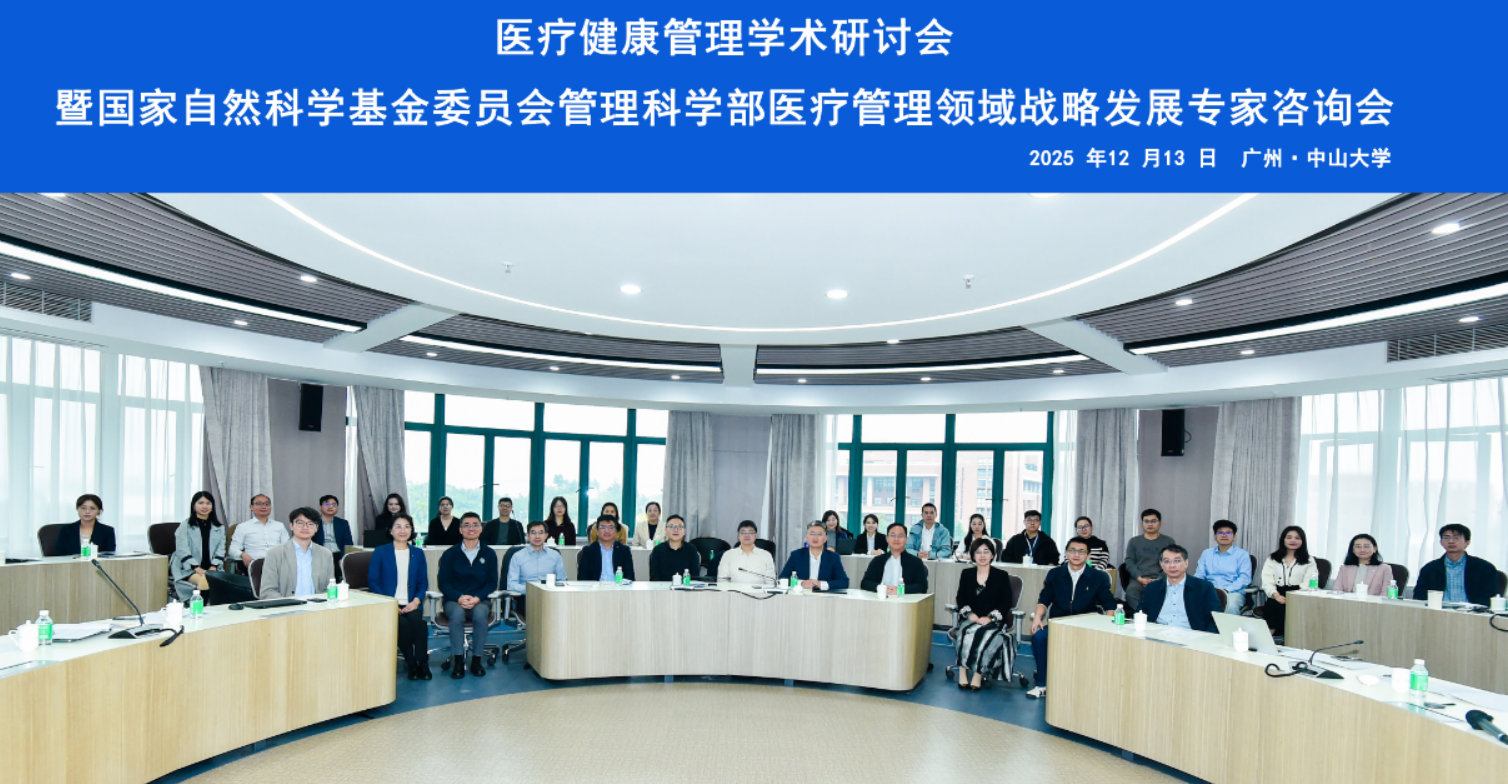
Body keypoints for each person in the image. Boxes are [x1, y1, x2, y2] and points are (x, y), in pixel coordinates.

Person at [1027, 537, 1118, 699]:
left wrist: (1106, 625)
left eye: (1082, 551)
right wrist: (1038, 617)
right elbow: (1044, 600)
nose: (1076, 555)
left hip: (1086, 626)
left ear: (1088, 556)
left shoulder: (1098, 577)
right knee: (1039, 637)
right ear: (1066, 553)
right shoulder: (1055, 574)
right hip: (1059, 624)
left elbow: (1109, 606)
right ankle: (1042, 684)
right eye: (1072, 550)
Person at [367, 512, 431, 680]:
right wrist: (391, 603)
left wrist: (416, 601)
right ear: (390, 530)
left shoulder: (418, 553)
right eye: (398, 527)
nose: (403, 531)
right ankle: (411, 664)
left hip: (411, 603)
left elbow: (423, 582)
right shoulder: (380, 552)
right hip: (388, 603)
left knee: (419, 624)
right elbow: (373, 582)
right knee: (402, 625)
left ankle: (423, 663)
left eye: (407, 527)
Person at [437, 515, 498, 679]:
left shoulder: (489, 553)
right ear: (460, 529)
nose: (471, 528)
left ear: (481, 529)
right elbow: (444, 583)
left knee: (480, 615)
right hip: (454, 600)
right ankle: (458, 661)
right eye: (467, 525)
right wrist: (459, 597)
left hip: (480, 599)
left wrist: (477, 597)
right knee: (457, 615)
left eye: (475, 524)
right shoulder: (450, 554)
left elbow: (492, 582)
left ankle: (476, 660)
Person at [952, 538, 1016, 691]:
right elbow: (961, 598)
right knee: (966, 632)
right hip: (970, 618)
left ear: (992, 555)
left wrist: (990, 618)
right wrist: (970, 614)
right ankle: (962, 671)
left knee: (984, 635)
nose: (982, 555)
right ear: (973, 555)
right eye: (978, 552)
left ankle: (978, 674)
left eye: (986, 552)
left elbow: (1006, 602)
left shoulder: (1001, 575)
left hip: (992, 620)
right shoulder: (966, 574)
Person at [1413, 524, 1501, 606]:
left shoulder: (1484, 568)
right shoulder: (1430, 569)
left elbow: (1489, 597)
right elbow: (1420, 596)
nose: (1451, 541)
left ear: (1467, 542)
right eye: (1446, 538)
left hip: (1472, 613)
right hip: (1438, 612)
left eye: (1456, 538)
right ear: (1441, 542)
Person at [1140, 545, 1222, 633]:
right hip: (1157, 633)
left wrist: (1205, 638)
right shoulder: (1152, 588)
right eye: (1167, 561)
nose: (1172, 565)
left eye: (1177, 561)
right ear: (1161, 564)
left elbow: (1217, 619)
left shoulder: (1203, 587)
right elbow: (1140, 614)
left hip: (1190, 635)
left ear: (1186, 563)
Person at [259, 507, 335, 599]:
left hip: (317, 605)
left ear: (316, 528)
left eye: (310, 523)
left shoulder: (326, 554)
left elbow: (329, 588)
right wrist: (289, 604)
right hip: (287, 605)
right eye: (300, 523)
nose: (305, 527)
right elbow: (267, 591)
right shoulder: (275, 554)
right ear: (291, 526)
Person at [1260, 525, 1319, 637]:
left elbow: (1310, 581)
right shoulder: (1273, 558)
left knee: (1292, 609)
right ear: (1283, 540)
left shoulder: (1309, 560)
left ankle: (1291, 640)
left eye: (1297, 538)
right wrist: (1275, 595)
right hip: (1277, 592)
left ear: (1302, 541)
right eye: (1289, 537)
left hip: (1299, 593)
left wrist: (1294, 597)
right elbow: (1267, 579)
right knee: (1274, 605)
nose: (1293, 540)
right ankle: (1267, 639)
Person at [171, 491, 226, 602]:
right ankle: (201, 609)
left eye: (208, 503)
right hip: (188, 568)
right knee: (203, 581)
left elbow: (221, 550)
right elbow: (182, 549)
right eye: (200, 503)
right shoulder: (185, 525)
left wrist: (214, 566)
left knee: (223, 585)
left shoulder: (219, 527)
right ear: (194, 506)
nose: (205, 506)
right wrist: (196, 567)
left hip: (212, 567)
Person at [505, 521, 566, 619]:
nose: (537, 536)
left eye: (541, 532)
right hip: (526, 597)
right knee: (539, 611)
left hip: (550, 596)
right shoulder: (517, 556)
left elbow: (562, 581)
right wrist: (532, 590)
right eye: (533, 533)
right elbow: (511, 584)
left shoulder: (555, 556)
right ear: (528, 535)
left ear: (546, 535)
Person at [1195, 520, 1253, 614]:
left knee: (1231, 606)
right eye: (1221, 533)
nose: (1224, 535)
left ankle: (1228, 625)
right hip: (1210, 590)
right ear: (1215, 536)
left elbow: (1244, 579)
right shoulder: (1207, 553)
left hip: (1233, 592)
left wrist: (1226, 590)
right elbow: (1199, 575)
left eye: (1228, 533)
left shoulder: (1242, 555)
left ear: (1234, 537)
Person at [1123, 509, 1175, 612]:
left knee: (1164, 593)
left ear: (1160, 523)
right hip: (1139, 579)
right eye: (1146, 521)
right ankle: (1143, 614)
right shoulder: (1134, 541)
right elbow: (1129, 562)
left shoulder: (1168, 541)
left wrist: (1159, 579)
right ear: (1142, 523)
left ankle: (1155, 615)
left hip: (1161, 579)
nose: (1150, 524)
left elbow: (1171, 563)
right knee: (1131, 593)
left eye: (1153, 521)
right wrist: (1139, 578)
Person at [777, 522, 850, 591]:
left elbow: (844, 582)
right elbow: (782, 579)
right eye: (812, 534)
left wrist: (821, 584)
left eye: (819, 534)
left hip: (824, 597)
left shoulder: (833, 557)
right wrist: (801, 583)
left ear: (825, 539)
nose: (815, 538)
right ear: (807, 537)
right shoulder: (796, 555)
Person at [860, 522, 930, 595]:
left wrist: (900, 590)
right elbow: (865, 583)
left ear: (906, 539)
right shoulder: (878, 561)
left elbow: (922, 586)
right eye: (893, 535)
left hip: (905, 600)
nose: (896, 539)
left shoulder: (916, 562)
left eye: (900, 536)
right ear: (887, 539)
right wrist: (883, 588)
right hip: (881, 599)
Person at [229, 494, 289, 571]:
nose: (263, 507)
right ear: (251, 507)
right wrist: (242, 554)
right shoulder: (243, 527)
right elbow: (233, 549)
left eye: (267, 504)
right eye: (259, 504)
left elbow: (287, 547)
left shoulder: (279, 526)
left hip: (278, 563)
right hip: (255, 564)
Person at [577, 516, 636, 582]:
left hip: (618, 587)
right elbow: (582, 577)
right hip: (595, 587)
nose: (607, 531)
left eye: (611, 527)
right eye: (603, 527)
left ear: (616, 531)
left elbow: (630, 577)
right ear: (597, 531)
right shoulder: (588, 551)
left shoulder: (624, 550)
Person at [719, 520, 778, 584]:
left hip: (759, 590)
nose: (747, 535)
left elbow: (770, 582)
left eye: (750, 532)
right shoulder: (728, 555)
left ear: (755, 536)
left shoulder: (766, 555)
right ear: (738, 536)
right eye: (743, 532)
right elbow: (722, 581)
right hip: (734, 590)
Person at [649, 515, 701, 581]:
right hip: (662, 586)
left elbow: (695, 576)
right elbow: (654, 577)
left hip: (685, 586)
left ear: (684, 531)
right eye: (671, 526)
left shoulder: (691, 549)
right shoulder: (657, 550)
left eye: (680, 527)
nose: (676, 530)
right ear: (666, 531)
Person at [312, 494, 355, 566]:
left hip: (338, 555)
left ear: (337, 508)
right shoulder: (313, 522)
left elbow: (347, 542)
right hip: (320, 555)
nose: (330, 507)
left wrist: (343, 557)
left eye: (334, 505)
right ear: (320, 507)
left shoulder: (343, 523)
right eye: (326, 504)